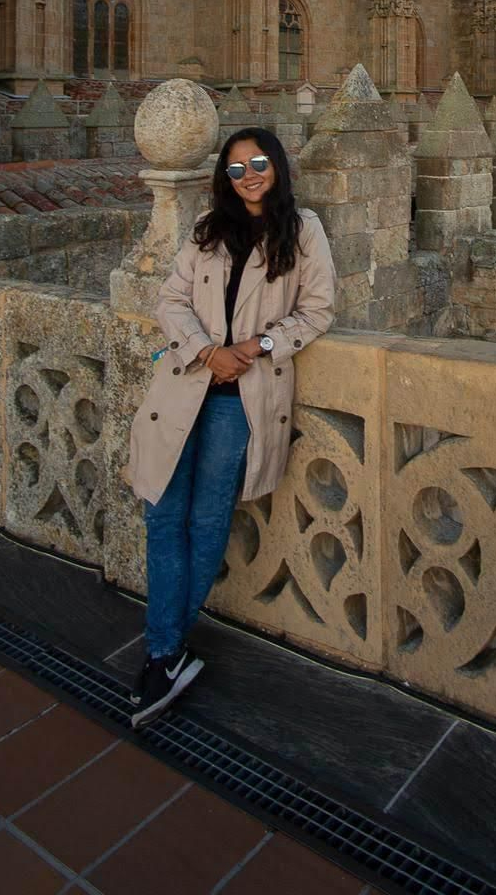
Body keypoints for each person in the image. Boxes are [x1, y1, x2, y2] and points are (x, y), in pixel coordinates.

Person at [126, 125, 335, 727]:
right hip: (185, 386)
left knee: (207, 520)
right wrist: (206, 351)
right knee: (163, 516)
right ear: (225, 177)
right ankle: (167, 651)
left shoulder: (303, 230)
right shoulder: (206, 230)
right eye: (237, 168)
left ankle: (162, 651)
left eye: (259, 163)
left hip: (239, 400)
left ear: (278, 167)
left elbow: (317, 311)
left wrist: (260, 345)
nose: (249, 176)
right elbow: (170, 299)